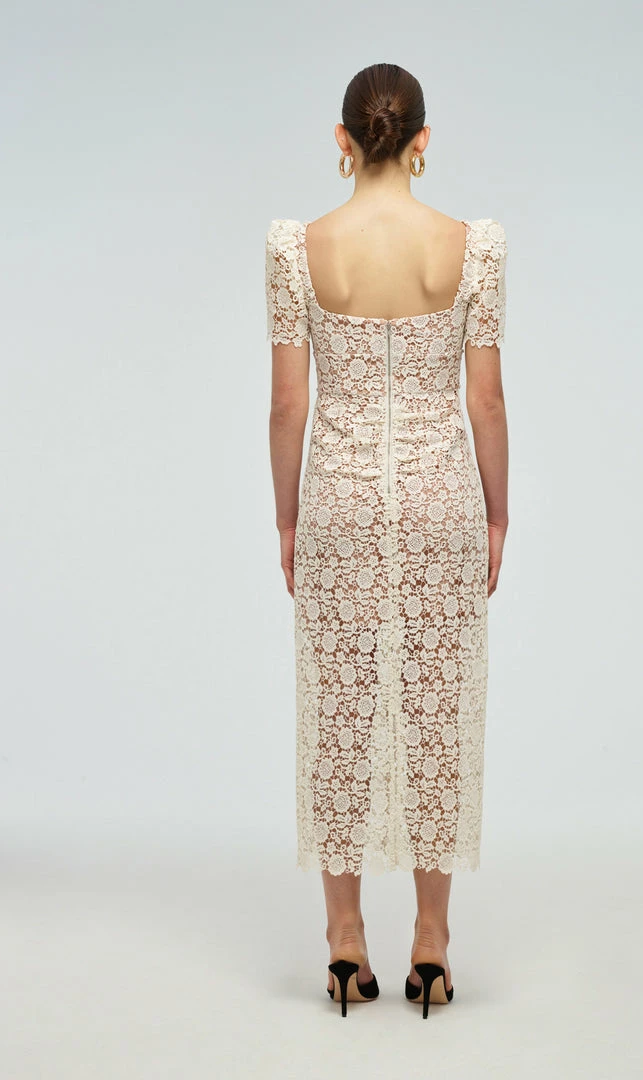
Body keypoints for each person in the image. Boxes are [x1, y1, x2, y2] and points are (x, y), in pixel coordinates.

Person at [265, 62, 509, 1019]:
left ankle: (343, 943)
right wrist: (497, 513)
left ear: (342, 140)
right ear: (421, 141)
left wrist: (288, 516)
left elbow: (290, 405)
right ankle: (432, 945)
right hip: (444, 495)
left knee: (340, 708)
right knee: (436, 711)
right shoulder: (471, 247)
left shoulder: (299, 249)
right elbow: (485, 401)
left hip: (339, 497)